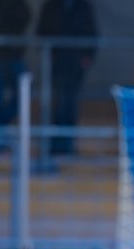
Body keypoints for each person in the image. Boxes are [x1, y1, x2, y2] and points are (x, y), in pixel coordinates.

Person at [36, 0, 98, 155]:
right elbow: (41, 31)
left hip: (75, 64)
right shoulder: (51, 6)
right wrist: (49, 54)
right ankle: (55, 146)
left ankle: (68, 146)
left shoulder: (83, 6)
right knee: (58, 104)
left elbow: (92, 33)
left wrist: (87, 56)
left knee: (70, 104)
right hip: (57, 64)